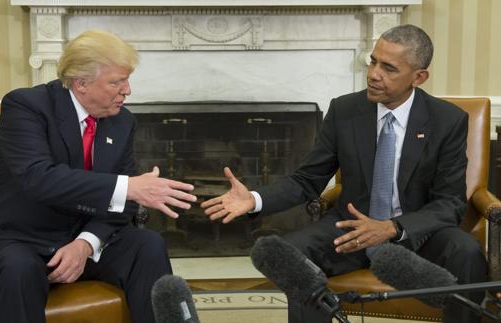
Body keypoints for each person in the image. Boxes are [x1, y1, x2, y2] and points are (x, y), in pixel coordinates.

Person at [202, 24, 487, 323]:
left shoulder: (447, 121)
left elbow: (450, 203)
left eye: (389, 68)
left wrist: (393, 227)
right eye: (373, 62)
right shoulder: (345, 110)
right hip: (351, 228)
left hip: (416, 232)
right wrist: (255, 199)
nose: (374, 74)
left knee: (465, 251)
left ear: (418, 77)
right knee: (290, 251)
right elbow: (307, 180)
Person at [0, 30, 197, 323]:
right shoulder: (26, 106)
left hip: (79, 237)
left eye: (127, 80)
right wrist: (129, 186)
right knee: (19, 268)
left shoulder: (122, 121)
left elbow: (121, 203)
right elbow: (39, 178)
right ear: (81, 83)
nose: (127, 90)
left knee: (147, 245)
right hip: (18, 237)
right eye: (117, 81)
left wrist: (86, 243)